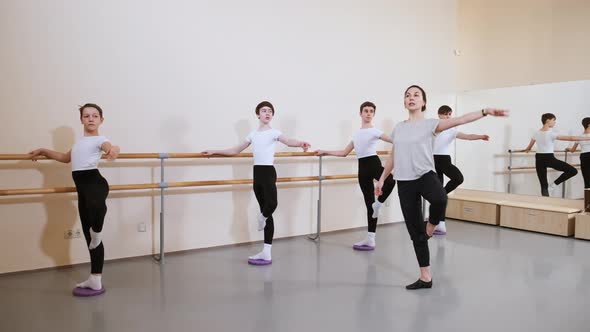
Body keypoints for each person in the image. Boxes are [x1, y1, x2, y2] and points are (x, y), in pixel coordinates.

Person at [375, 85, 508, 290]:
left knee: (440, 198)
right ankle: (425, 277)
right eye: (407, 96)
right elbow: (393, 155)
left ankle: (432, 225)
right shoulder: (399, 128)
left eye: (416, 95)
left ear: (423, 102)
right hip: (404, 182)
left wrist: (485, 111)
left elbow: (460, 120)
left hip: (425, 175)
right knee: (415, 233)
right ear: (404, 102)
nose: (411, 98)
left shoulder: (431, 124)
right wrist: (383, 178)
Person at [202, 101, 310, 265]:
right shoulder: (252, 135)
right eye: (264, 111)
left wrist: (301, 142)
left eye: (270, 111)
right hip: (256, 174)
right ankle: (266, 252)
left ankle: (262, 216)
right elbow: (235, 150)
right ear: (258, 114)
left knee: (271, 204)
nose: (267, 113)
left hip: (268, 172)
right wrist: (214, 151)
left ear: (272, 115)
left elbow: (288, 141)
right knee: (269, 214)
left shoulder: (274, 132)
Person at [29, 103, 120, 296]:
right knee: (90, 238)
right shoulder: (78, 143)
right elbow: (64, 158)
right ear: (81, 120)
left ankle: (97, 230)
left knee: (97, 209)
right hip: (82, 190)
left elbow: (108, 147)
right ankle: (95, 279)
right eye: (86, 116)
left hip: (95, 183)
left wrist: (113, 150)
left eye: (95, 116)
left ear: (101, 120)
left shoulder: (100, 139)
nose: (90, 119)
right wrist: (44, 150)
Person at [315, 101, 395, 250]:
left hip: (373, 163)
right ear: (360, 113)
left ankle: (379, 203)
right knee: (368, 204)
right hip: (362, 169)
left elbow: (393, 140)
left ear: (374, 114)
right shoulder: (356, 134)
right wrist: (325, 151)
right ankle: (370, 239)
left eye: (371, 111)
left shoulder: (375, 131)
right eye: (366, 111)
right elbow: (344, 153)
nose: (369, 113)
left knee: (390, 181)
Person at [432, 105, 490, 235]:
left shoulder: (452, 130)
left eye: (449, 115)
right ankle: (440, 225)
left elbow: (468, 136)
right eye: (445, 114)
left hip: (445, 160)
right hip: (432, 160)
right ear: (439, 115)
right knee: (439, 195)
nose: (447, 117)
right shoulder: (434, 127)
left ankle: (443, 194)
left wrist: (480, 136)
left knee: (458, 178)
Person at [522, 113, 590, 196]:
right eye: (553, 120)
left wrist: (526, 149)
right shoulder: (551, 133)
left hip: (539, 158)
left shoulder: (536, 133)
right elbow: (571, 138)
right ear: (548, 121)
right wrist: (588, 137)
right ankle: (554, 185)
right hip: (549, 158)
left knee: (544, 185)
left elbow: (529, 147)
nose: (554, 122)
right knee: (572, 171)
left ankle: (546, 204)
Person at [565, 117, 590, 189]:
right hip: (587, 155)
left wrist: (568, 149)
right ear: (589, 125)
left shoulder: (579, 136)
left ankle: (588, 199)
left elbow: (573, 150)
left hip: (584, 156)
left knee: (586, 177)